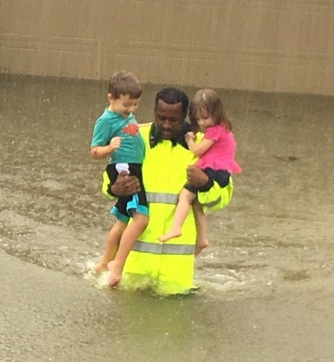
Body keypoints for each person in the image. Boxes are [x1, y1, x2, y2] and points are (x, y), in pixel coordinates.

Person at [103, 87, 234, 294]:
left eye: (174, 120)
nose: (166, 124)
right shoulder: (135, 136)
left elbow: (222, 198)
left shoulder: (204, 145)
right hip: (133, 270)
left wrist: (206, 184)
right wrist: (114, 188)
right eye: (161, 118)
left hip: (176, 277)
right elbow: (109, 177)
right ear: (154, 111)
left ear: (186, 116)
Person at [158, 89, 241, 255]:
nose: (202, 123)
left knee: (185, 196)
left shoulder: (214, 131)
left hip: (214, 171)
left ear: (216, 113)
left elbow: (196, 151)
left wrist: (189, 140)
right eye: (198, 119)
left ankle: (176, 227)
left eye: (205, 118)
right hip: (221, 169)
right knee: (195, 202)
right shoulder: (223, 128)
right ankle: (202, 238)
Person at [90, 71, 148, 286]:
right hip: (125, 170)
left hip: (134, 167)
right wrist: (109, 148)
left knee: (122, 220)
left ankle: (104, 262)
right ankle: (117, 265)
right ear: (111, 99)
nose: (131, 110)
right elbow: (94, 151)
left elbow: (131, 130)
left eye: (135, 105)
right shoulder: (105, 121)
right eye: (126, 105)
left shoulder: (125, 116)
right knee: (141, 218)